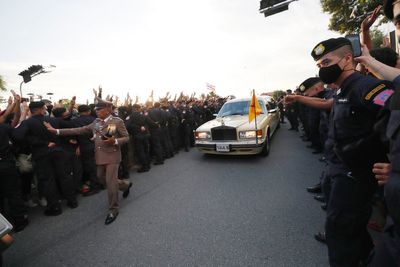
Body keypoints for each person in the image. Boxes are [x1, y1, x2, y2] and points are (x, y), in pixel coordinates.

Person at [285, 37, 394, 266]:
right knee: (346, 228)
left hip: (357, 176)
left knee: (339, 230)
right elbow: (328, 106)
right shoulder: (343, 90)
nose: (322, 69)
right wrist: (298, 98)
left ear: (347, 59)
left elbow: (395, 121)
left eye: (326, 62)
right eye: (319, 66)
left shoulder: (366, 87)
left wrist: (396, 165)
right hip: (341, 169)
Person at [44, 99, 132, 225]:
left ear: (107, 110)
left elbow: (126, 137)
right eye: (95, 110)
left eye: (99, 110)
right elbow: (79, 130)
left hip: (112, 155)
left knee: (110, 183)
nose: (96, 112)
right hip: (100, 156)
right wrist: (56, 131)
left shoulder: (116, 121)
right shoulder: (95, 122)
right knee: (101, 178)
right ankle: (124, 185)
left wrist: (116, 141)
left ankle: (113, 209)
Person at [13, 101, 78, 216]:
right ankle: (72, 201)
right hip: (58, 151)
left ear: (31, 111)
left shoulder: (28, 123)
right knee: (65, 176)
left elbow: (17, 136)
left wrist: (33, 140)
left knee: (48, 181)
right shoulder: (53, 120)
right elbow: (71, 127)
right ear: (41, 109)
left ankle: (55, 208)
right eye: (44, 108)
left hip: (41, 154)